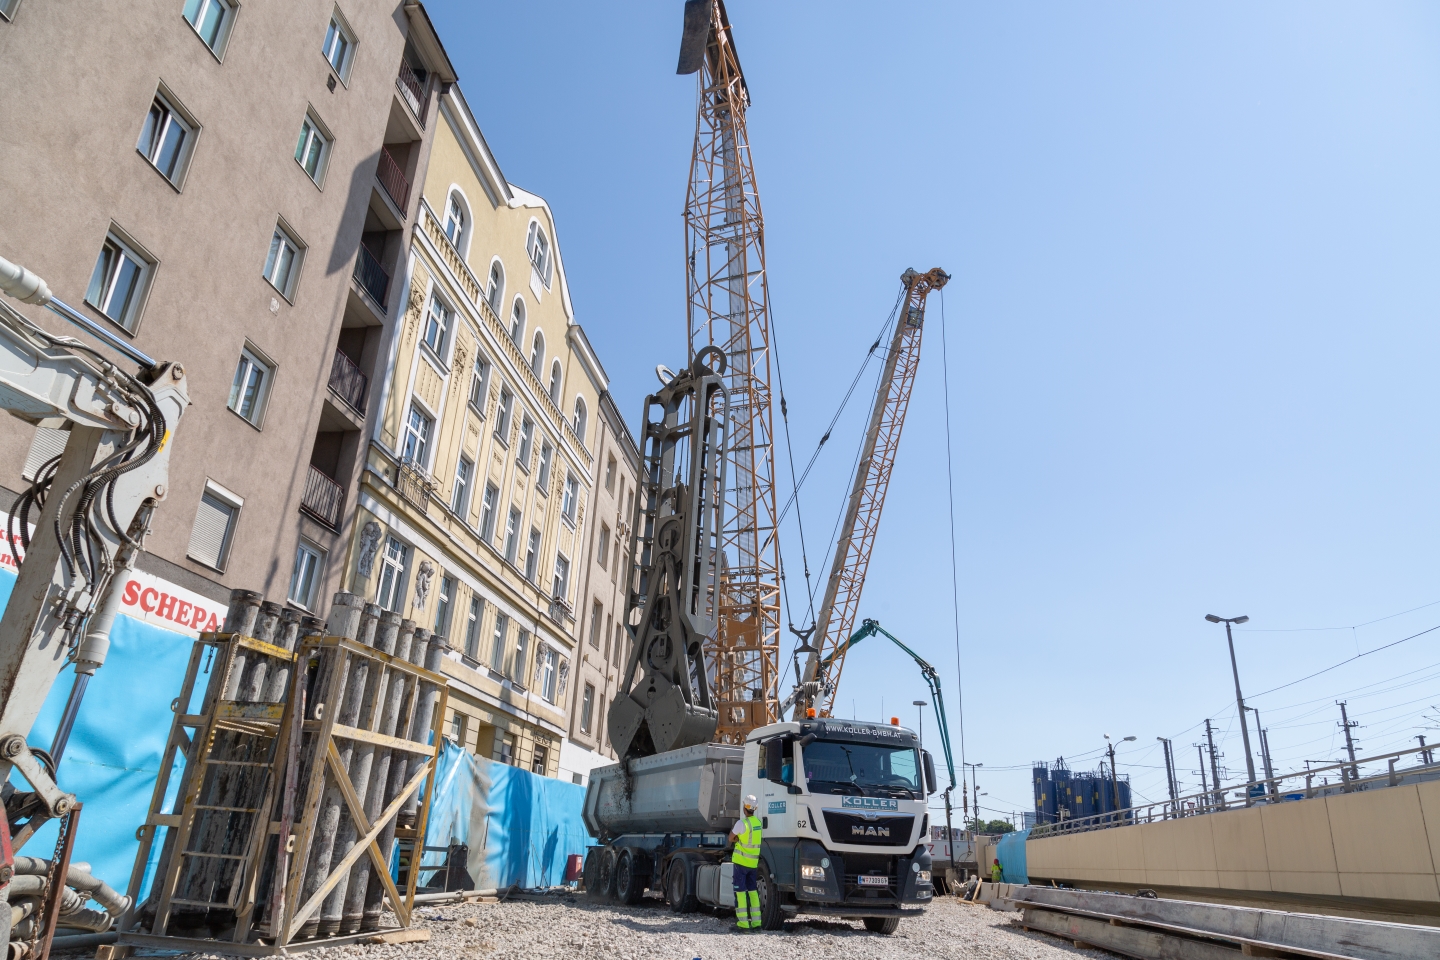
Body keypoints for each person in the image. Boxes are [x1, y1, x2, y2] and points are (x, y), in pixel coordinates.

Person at [728, 794, 763, 931]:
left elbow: (731, 838)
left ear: (744, 807)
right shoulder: (758, 823)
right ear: (755, 808)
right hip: (753, 864)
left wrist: (738, 840)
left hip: (741, 863)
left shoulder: (741, 823)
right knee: (753, 892)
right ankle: (756, 924)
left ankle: (743, 924)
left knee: (740, 892)